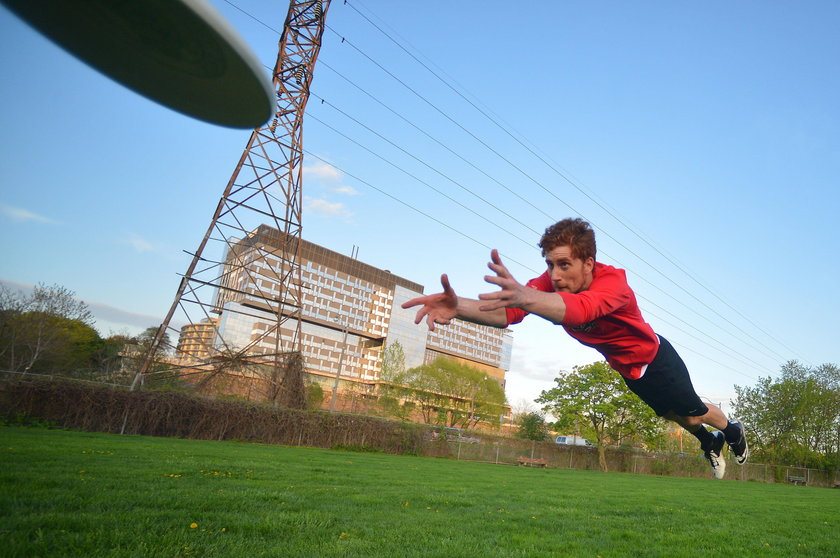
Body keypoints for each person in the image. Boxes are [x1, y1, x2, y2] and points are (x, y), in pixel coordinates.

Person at [402, 217, 748, 479]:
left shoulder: (615, 284)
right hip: (628, 369)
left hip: (656, 359)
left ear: (589, 264)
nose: (554, 275)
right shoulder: (546, 285)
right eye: (550, 264)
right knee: (670, 415)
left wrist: (528, 296)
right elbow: (509, 311)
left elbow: (580, 310)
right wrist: (457, 306)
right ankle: (709, 442)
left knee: (690, 413)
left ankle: (731, 431)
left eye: (564, 265)